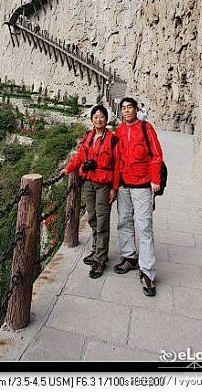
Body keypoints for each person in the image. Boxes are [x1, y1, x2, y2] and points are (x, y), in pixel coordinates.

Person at [60, 105, 119, 278]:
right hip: (89, 183)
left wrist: (114, 188)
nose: (99, 119)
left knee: (102, 221)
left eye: (102, 116)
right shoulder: (89, 136)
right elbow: (79, 156)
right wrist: (68, 168)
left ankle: (100, 260)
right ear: (92, 119)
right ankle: (96, 249)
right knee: (92, 217)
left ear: (106, 119)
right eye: (96, 116)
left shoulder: (112, 139)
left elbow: (117, 167)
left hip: (103, 184)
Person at [113, 97, 163, 296]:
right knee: (124, 221)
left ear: (135, 109)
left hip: (142, 184)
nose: (126, 111)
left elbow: (157, 155)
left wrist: (155, 180)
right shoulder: (118, 131)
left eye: (129, 107)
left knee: (144, 226)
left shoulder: (146, 128)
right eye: (123, 108)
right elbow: (116, 160)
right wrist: (114, 186)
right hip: (124, 185)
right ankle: (129, 257)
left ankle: (147, 272)